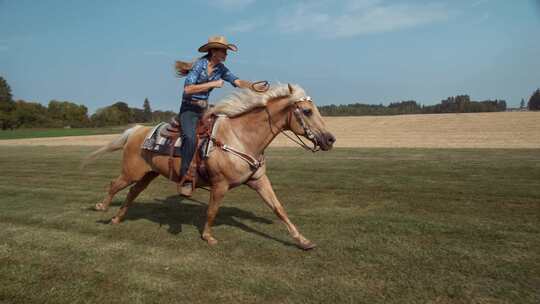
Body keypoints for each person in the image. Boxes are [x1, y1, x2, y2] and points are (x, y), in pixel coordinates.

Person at [177, 36, 251, 196]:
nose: (226, 54)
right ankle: (186, 179)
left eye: (226, 51)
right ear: (213, 51)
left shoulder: (221, 69)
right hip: (188, 110)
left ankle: (214, 170)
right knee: (190, 138)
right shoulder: (199, 66)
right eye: (223, 50)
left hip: (205, 110)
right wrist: (212, 84)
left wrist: (253, 86)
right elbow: (188, 89)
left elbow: (237, 82)